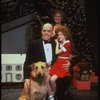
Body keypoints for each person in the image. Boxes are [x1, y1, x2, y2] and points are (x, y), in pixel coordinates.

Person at [23, 23, 71, 100]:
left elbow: (66, 55)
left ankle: (56, 95)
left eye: (48, 31)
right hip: (41, 74)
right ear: (41, 31)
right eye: (44, 30)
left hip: (55, 71)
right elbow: (27, 62)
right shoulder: (34, 44)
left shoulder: (57, 44)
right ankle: (50, 95)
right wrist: (26, 79)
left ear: (52, 33)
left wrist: (69, 63)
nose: (46, 33)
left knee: (66, 79)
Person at [48, 25, 72, 100]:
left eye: (61, 34)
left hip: (62, 64)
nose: (59, 36)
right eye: (58, 35)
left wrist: (57, 44)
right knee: (49, 77)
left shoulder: (67, 43)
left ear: (65, 35)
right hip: (58, 62)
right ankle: (52, 94)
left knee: (52, 79)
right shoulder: (63, 43)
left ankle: (52, 93)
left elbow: (57, 52)